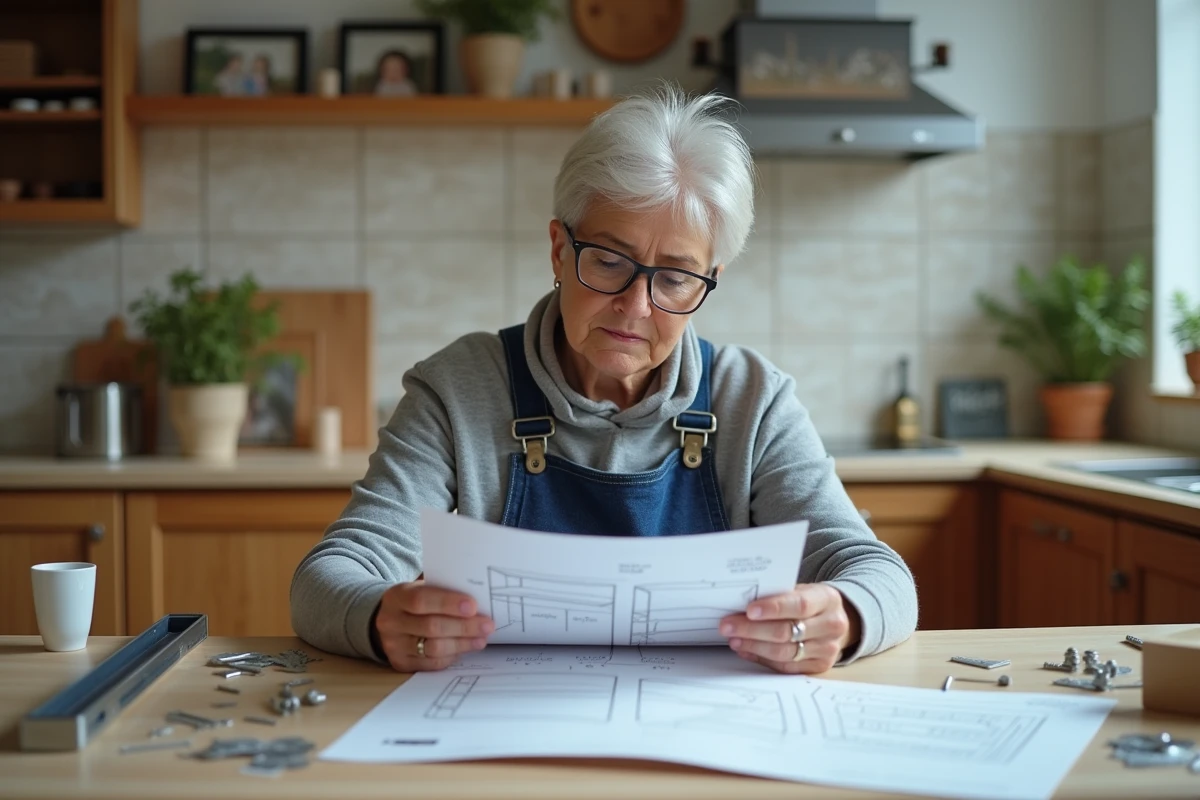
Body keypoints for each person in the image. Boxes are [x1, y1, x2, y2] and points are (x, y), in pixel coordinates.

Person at [290, 86, 918, 675]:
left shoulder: (753, 400)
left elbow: (876, 574)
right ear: (560, 251)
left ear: (709, 282)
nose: (637, 306)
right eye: (611, 261)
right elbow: (330, 576)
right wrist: (378, 618)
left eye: (675, 278)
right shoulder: (456, 389)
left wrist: (845, 616)